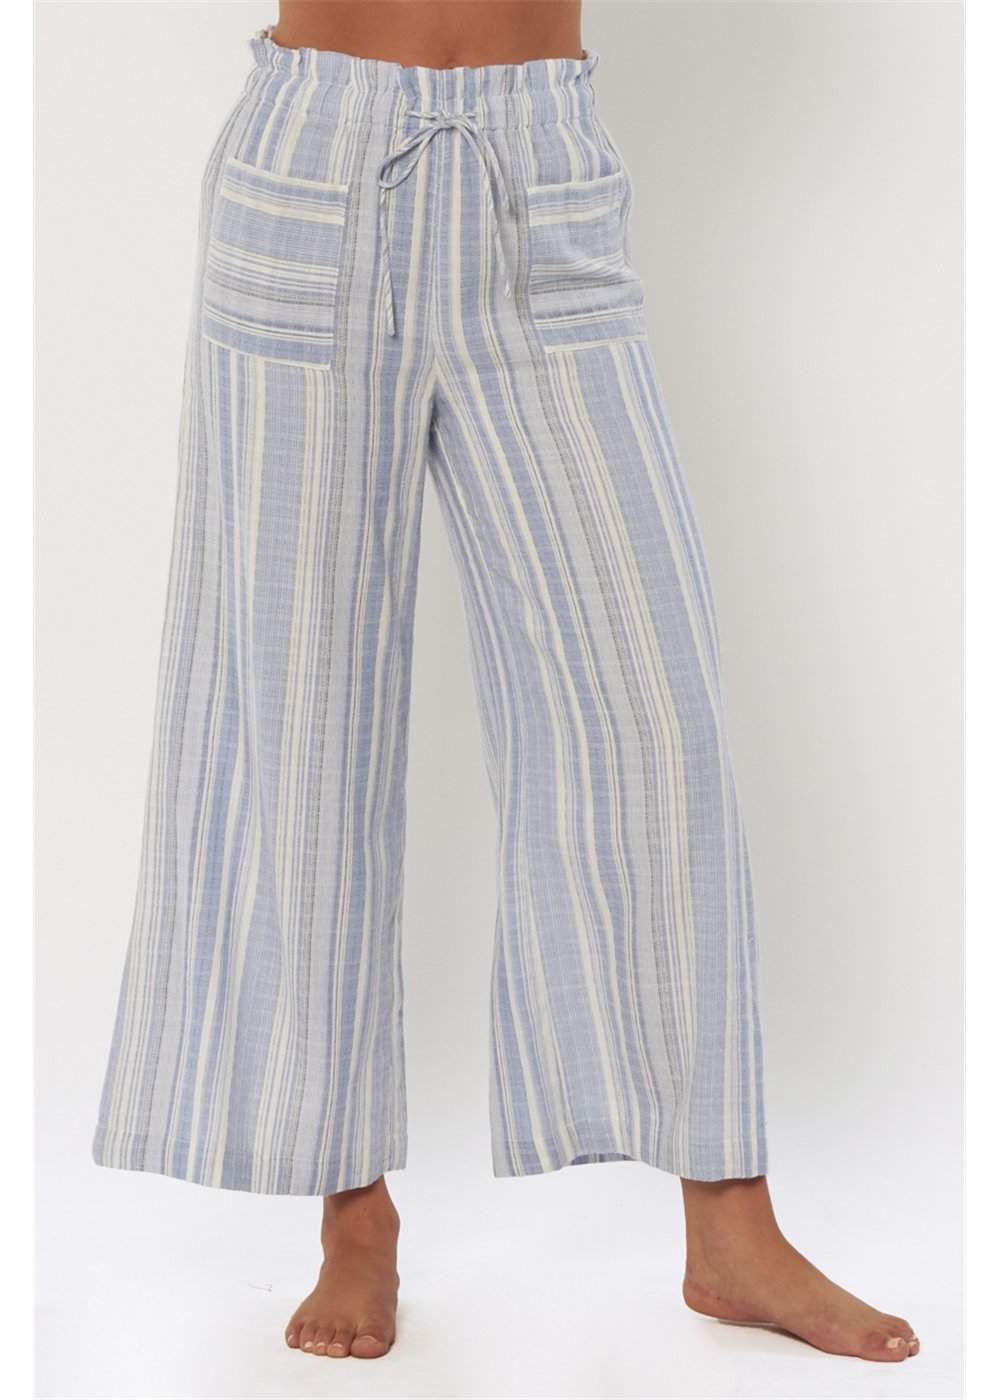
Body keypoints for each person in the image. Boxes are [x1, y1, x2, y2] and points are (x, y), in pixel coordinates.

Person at [92, 0, 919, 1366]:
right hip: (313, 158)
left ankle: (729, 1224)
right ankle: (351, 1211)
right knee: (296, 721)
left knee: (649, 714)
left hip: (542, 168)